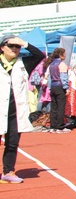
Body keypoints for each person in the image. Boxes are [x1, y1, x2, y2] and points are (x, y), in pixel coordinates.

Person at [1, 34, 45, 183]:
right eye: (11, 45)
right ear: (2, 48)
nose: (15, 48)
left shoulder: (23, 63)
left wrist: (24, 43)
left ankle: (8, 172)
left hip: (15, 111)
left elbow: (40, 55)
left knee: (12, 143)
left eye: (17, 46)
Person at [46, 48, 70, 130]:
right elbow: (63, 78)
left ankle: (53, 124)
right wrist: (66, 88)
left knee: (54, 106)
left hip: (53, 86)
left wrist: (49, 87)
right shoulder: (62, 64)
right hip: (60, 86)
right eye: (64, 54)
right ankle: (60, 124)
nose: (65, 55)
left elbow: (49, 78)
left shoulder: (51, 64)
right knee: (61, 106)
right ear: (60, 55)